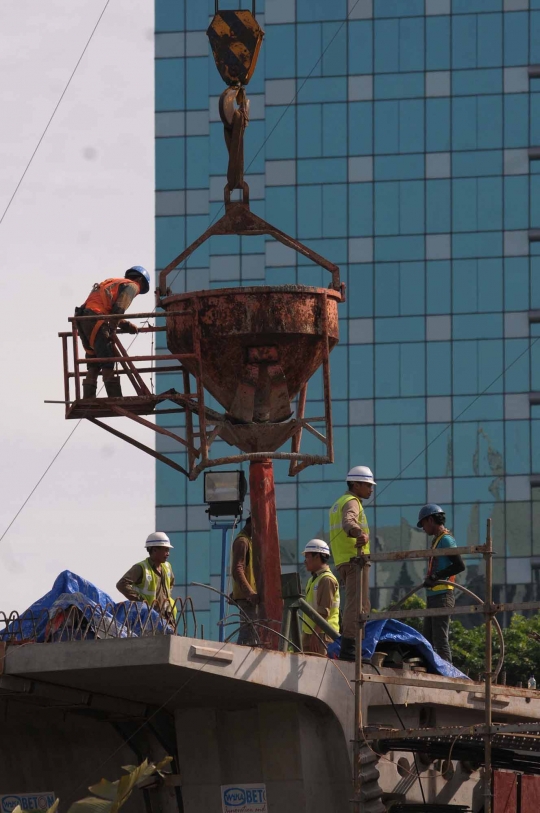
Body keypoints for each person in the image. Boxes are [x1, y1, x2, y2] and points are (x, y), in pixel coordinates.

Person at [76, 265, 151, 399]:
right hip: (97, 319)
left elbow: (108, 310)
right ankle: (115, 397)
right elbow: (118, 309)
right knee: (108, 359)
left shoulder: (114, 283)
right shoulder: (132, 285)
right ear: (140, 280)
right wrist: (111, 331)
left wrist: (126, 325)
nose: (138, 291)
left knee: (93, 361)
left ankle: (88, 399)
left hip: (83, 319)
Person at [329, 466, 375, 662]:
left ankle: (353, 649)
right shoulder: (351, 502)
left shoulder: (338, 502)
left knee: (359, 604)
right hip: (355, 560)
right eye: (367, 485)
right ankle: (350, 652)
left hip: (344, 560)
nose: (371, 489)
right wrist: (359, 534)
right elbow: (349, 522)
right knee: (357, 607)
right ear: (355, 484)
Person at [417, 503, 465, 663]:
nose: (423, 529)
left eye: (423, 524)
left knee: (440, 639)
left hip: (443, 596)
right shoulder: (437, 540)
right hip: (434, 595)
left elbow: (459, 565)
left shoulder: (446, 540)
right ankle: (432, 670)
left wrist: (436, 576)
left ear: (430, 520)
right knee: (427, 639)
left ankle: (447, 675)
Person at [116, 531, 177, 620]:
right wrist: (140, 601)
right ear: (155, 550)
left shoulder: (167, 567)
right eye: (165, 550)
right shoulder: (141, 568)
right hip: (148, 617)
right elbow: (121, 584)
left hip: (167, 616)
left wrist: (165, 599)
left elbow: (171, 583)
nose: (168, 553)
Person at [301, 539, 340, 656]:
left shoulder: (327, 579)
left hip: (322, 635)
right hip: (312, 633)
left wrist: (316, 634)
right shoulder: (314, 579)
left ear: (317, 556)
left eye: (307, 556)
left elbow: (324, 611)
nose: (305, 561)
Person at [231, 516, 259, 646]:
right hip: (248, 599)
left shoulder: (248, 541)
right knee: (248, 633)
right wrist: (249, 592)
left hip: (248, 597)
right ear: (252, 524)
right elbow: (237, 569)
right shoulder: (242, 541)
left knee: (252, 633)